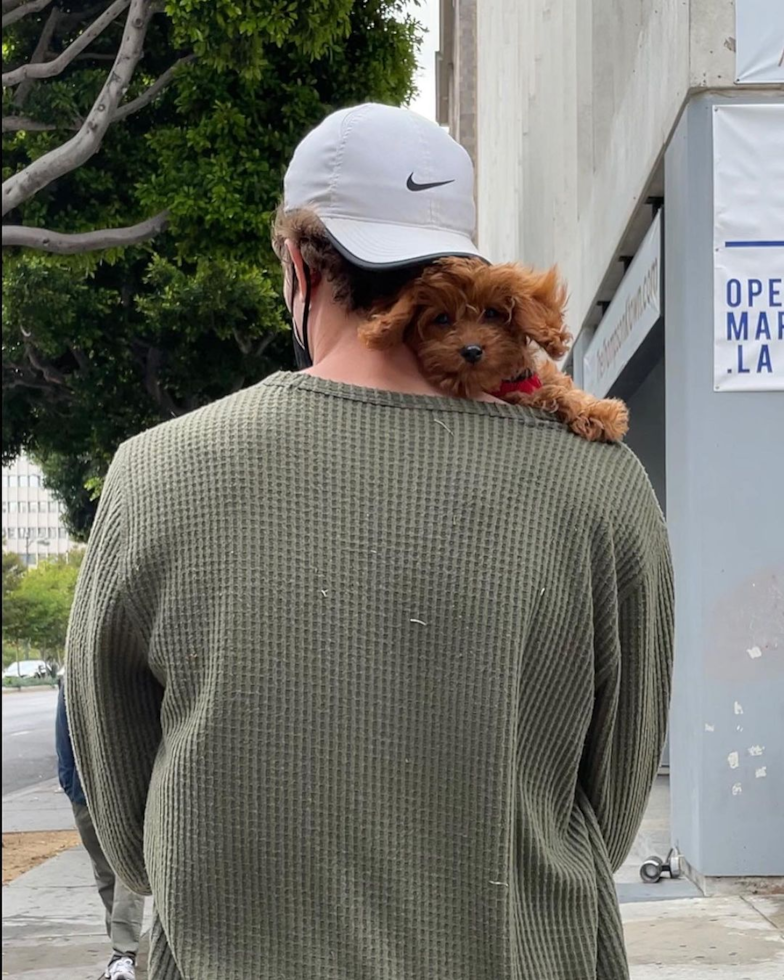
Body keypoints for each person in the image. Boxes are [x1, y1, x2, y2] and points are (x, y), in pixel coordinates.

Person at [66, 103, 673, 980]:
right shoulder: (602, 484)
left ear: (298, 264)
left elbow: (129, 834)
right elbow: (609, 814)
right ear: (463, 271)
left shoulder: (155, 475)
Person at [55, 679, 144, 980]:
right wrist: (71, 786)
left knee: (127, 872)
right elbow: (64, 738)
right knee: (106, 874)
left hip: (126, 794)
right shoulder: (72, 680)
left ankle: (123, 953)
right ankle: (122, 951)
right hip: (85, 795)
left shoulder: (128, 672)